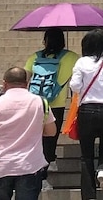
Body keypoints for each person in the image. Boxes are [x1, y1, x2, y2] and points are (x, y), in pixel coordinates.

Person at [0, 67, 56, 200]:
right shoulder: (40, 102)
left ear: (4, 84)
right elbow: (51, 131)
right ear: (27, 83)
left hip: (2, 166)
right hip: (30, 166)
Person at [69, 30, 103, 198]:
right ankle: (102, 169)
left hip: (87, 110)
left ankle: (89, 195)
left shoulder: (82, 62)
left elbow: (75, 86)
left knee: (86, 155)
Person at [24, 29, 79, 188]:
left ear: (45, 41)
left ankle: (39, 168)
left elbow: (24, 78)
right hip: (56, 103)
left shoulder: (35, 57)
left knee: (37, 137)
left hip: (35, 103)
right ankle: (46, 168)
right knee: (51, 137)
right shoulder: (72, 57)